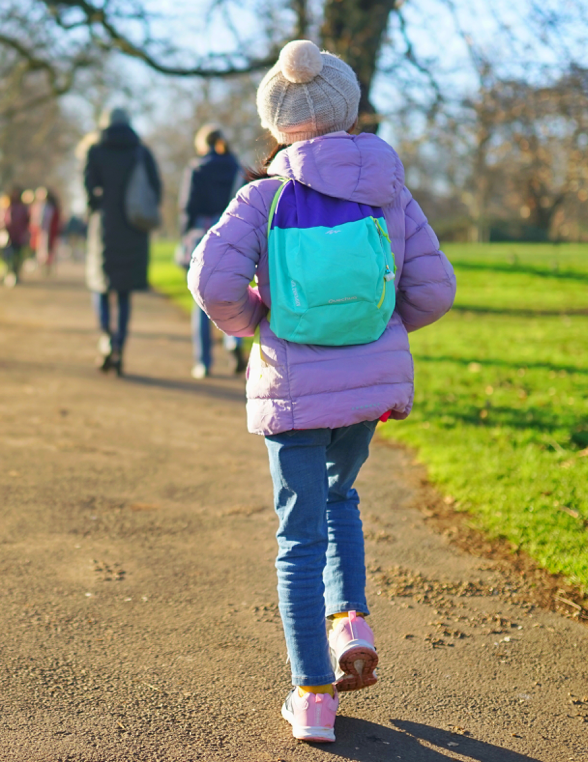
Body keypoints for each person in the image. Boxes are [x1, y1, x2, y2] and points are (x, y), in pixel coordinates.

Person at [188, 40, 456, 744]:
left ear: (276, 122)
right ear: (346, 105)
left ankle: (312, 696)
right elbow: (435, 290)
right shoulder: (389, 188)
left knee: (297, 536)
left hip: (294, 389)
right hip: (366, 392)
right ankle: (352, 619)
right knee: (342, 497)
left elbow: (210, 281)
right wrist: (381, 328)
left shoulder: (263, 198)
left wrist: (256, 322)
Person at [83, 106, 162, 374]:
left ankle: (106, 337)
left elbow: (89, 190)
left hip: (104, 228)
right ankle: (119, 345)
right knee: (125, 292)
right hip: (133, 229)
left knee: (101, 286)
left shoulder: (95, 150)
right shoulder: (140, 151)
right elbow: (155, 189)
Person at [178, 123, 245, 379]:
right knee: (231, 293)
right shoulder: (237, 168)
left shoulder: (196, 168)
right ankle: (234, 342)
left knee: (202, 298)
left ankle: (203, 362)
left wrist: (184, 235)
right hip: (232, 234)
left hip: (202, 234)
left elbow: (187, 206)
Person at [0, 186, 30, 286]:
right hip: (8, 236)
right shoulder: (6, 206)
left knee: (17, 257)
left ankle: (15, 274)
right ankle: (8, 273)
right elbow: (1, 220)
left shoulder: (23, 208)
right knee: (7, 256)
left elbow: (26, 221)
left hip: (19, 236)